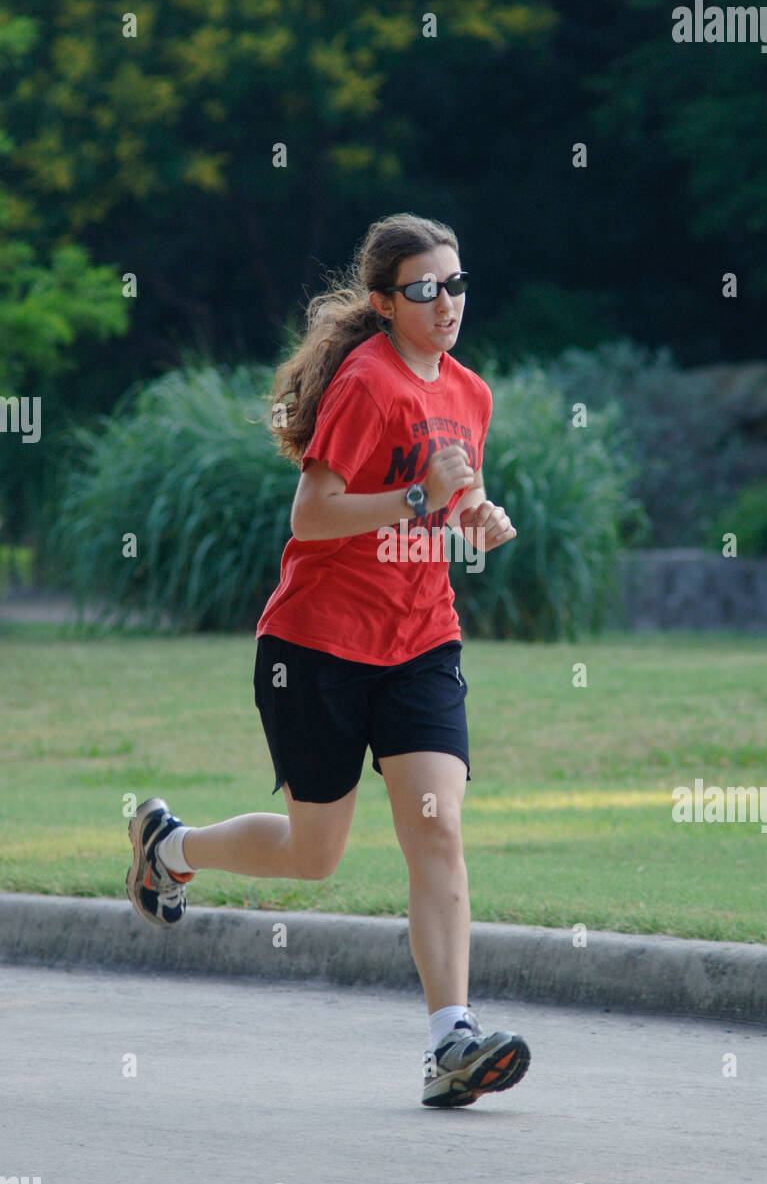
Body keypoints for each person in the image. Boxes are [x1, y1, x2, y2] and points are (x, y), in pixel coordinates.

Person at [126, 212, 530, 1108]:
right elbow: (314, 514)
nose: (445, 303)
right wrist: (414, 497)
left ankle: (449, 1041)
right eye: (424, 289)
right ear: (386, 302)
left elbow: (449, 495)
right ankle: (173, 846)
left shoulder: (468, 391)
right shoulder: (366, 382)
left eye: (456, 284)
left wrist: (477, 517)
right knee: (315, 857)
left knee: (438, 827)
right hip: (315, 648)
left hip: (421, 640)